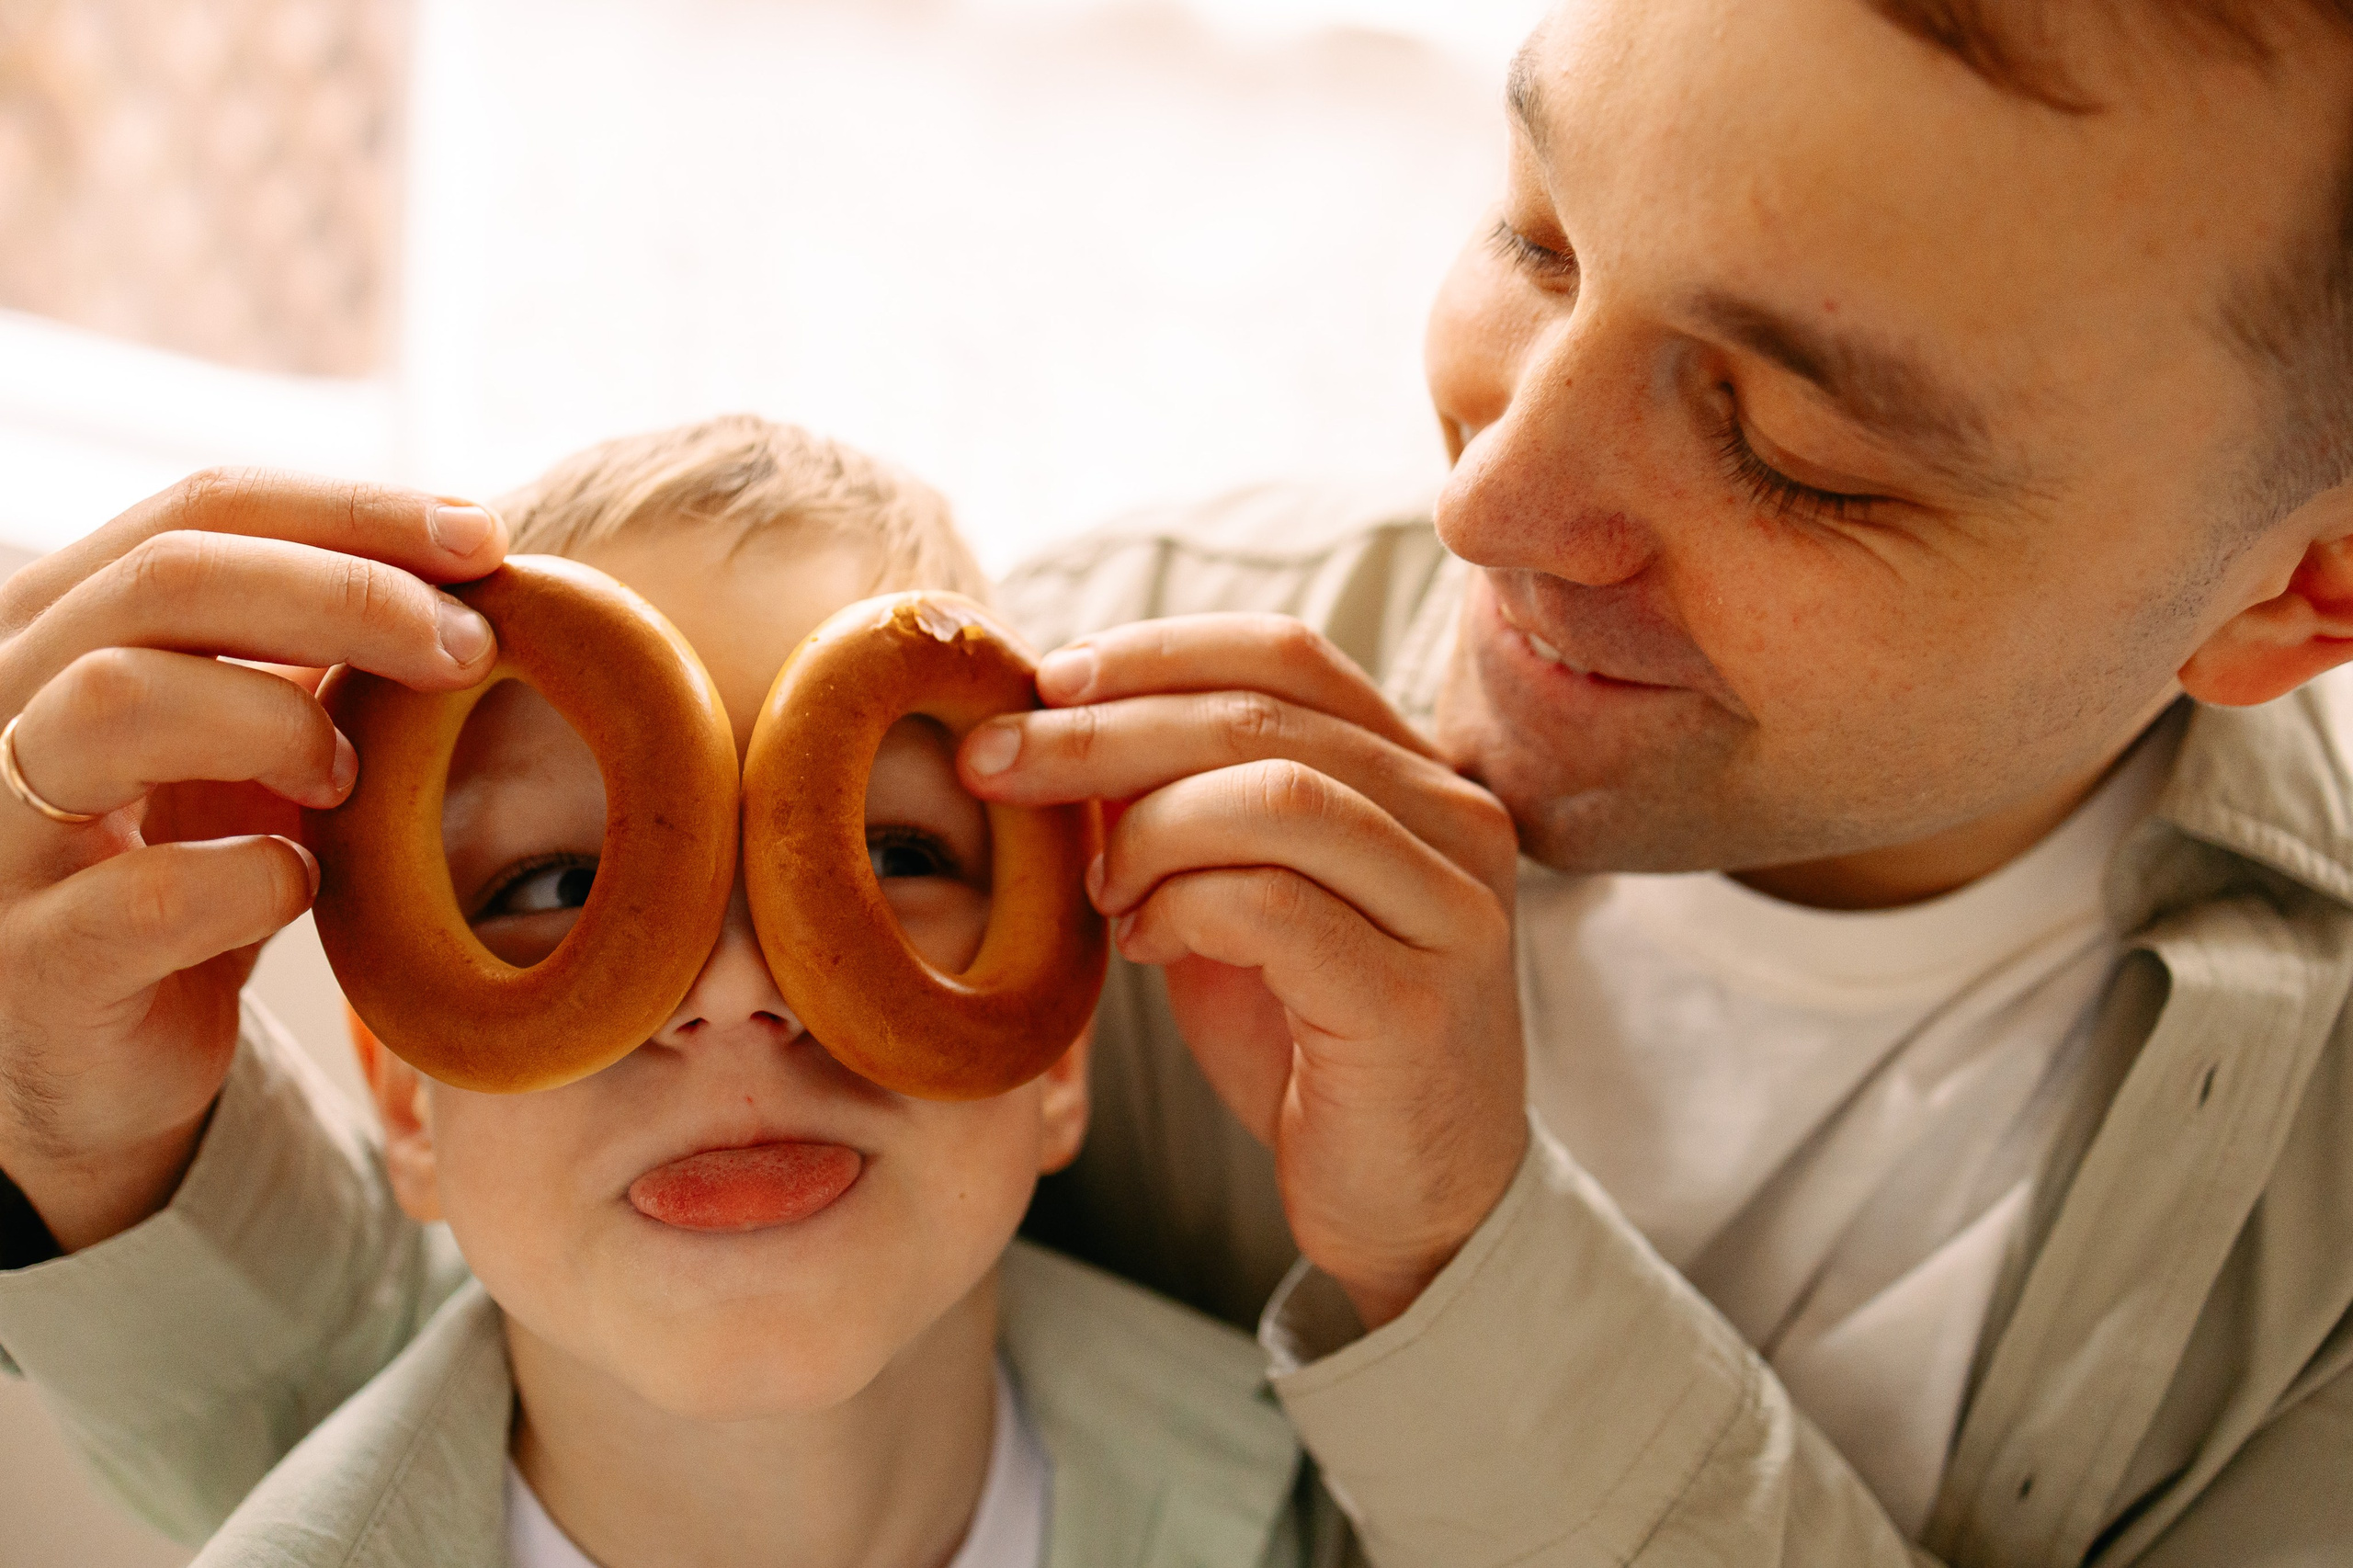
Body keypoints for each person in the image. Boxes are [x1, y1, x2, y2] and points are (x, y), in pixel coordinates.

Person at [4, 0, 2352, 1562]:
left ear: (2297, 587)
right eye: (1533, 235)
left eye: (1796, 449)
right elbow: (522, 1452)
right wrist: (101, 1159)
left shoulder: (2309, 1245)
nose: (1485, 508)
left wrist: (1463, 1260)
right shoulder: (1048, 745)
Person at [0, 418, 1354, 1567]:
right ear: (409, 1088)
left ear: (1058, 1043)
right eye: (549, 884)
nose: (733, 992)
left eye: (892, 856)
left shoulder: (1338, 1511)